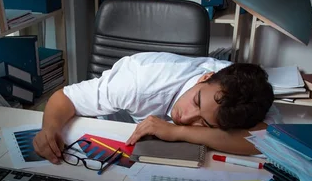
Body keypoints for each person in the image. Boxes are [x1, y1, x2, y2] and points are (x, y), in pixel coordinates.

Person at [33, 52, 277, 163]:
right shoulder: (139, 83)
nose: (186, 117)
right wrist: (49, 129)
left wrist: (177, 132)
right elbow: (63, 97)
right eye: (196, 102)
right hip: (108, 144)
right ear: (205, 77)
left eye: (204, 122)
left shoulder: (243, 97)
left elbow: (269, 140)